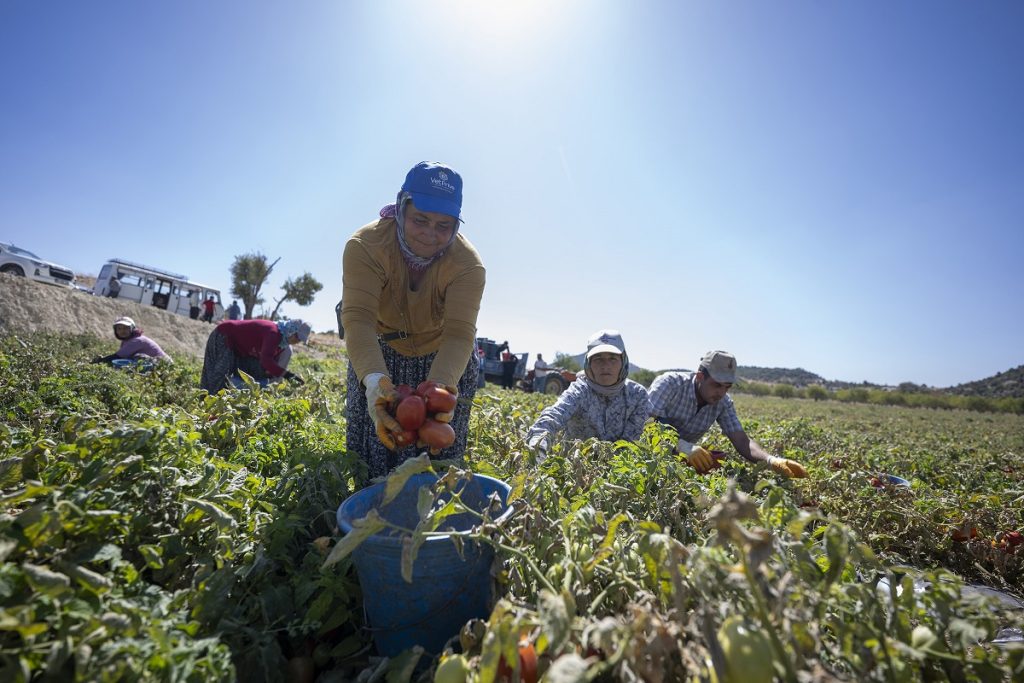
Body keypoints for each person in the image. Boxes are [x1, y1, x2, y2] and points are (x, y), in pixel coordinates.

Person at [341, 161, 485, 479]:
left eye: (443, 226)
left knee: (439, 456)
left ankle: (433, 517)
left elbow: (459, 335)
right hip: (379, 351)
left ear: (456, 226)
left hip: (444, 357)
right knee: (375, 449)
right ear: (402, 207)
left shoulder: (467, 266)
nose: (430, 235)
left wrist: (438, 388)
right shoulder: (366, 246)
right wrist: (376, 382)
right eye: (420, 219)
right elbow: (359, 319)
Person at [648, 350, 807, 478]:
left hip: (678, 463)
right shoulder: (670, 384)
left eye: (727, 387)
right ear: (700, 377)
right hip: (645, 457)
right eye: (717, 385)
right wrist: (683, 446)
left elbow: (742, 442)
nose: (721, 393)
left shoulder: (723, 402)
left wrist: (771, 461)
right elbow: (646, 424)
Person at [525, 330, 651, 458]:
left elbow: (629, 445)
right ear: (588, 364)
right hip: (575, 470)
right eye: (598, 359)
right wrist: (538, 444)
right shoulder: (579, 390)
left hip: (619, 470)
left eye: (613, 359)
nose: (605, 365)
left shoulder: (638, 395)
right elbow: (554, 415)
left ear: (623, 362)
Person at [200, 318, 309, 393]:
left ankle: (215, 406)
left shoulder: (281, 341)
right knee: (218, 374)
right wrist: (289, 376)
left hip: (237, 347)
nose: (297, 341)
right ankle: (207, 407)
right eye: (297, 338)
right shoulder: (273, 333)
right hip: (224, 335)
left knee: (228, 377)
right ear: (291, 331)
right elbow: (266, 361)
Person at [91, 316, 171, 365]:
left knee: (138, 357)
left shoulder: (137, 340)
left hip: (164, 365)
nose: (122, 331)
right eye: (119, 328)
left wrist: (100, 361)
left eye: (126, 328)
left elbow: (117, 356)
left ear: (132, 329)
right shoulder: (127, 341)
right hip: (156, 364)